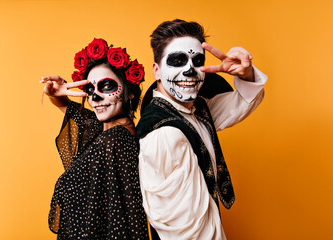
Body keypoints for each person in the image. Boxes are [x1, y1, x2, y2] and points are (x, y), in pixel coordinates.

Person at [136, 19, 268, 239]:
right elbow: (186, 231)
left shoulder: (192, 112)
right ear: (157, 71)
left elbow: (243, 102)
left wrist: (245, 74)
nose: (190, 70)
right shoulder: (166, 135)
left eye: (197, 61)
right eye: (177, 61)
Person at [40, 38, 149, 239]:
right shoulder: (103, 130)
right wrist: (58, 92)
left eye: (106, 86)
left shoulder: (115, 141)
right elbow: (69, 108)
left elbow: (127, 215)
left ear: (129, 92)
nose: (95, 98)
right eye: (90, 90)